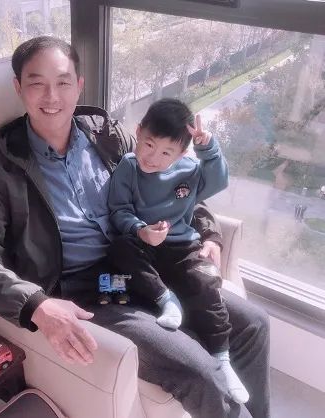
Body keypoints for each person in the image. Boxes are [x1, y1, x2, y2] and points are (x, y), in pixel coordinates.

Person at [0, 36, 270, 418]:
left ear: (79, 85)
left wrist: (208, 232)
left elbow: (168, 181)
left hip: (149, 261)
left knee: (253, 324)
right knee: (203, 374)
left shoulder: (105, 133)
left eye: (63, 82)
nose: (52, 96)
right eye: (37, 83)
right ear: (19, 88)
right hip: (97, 284)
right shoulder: (0, 164)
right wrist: (36, 304)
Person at [107, 98, 248, 404]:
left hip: (182, 247)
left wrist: (208, 149)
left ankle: (222, 359)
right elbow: (118, 211)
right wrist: (140, 230)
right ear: (138, 132)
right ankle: (165, 299)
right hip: (145, 244)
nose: (152, 157)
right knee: (119, 248)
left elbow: (219, 181)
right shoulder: (128, 167)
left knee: (206, 285)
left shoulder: (190, 170)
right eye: (148, 144)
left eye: (166, 152)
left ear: (182, 153)